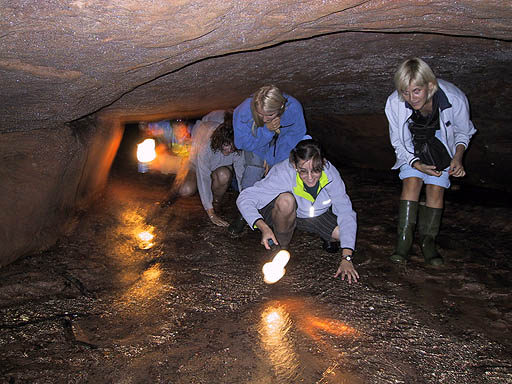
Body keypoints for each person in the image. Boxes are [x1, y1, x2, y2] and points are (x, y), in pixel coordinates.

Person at [385, 57, 476, 266]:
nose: (411, 98)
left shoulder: (455, 98)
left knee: (435, 189)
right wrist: (414, 163)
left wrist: (457, 158)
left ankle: (428, 243)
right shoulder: (394, 102)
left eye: (416, 91)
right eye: (405, 92)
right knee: (411, 182)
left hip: (442, 145)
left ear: (430, 86)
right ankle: (403, 243)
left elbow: (464, 132)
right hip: (413, 144)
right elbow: (398, 140)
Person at [236, 139, 359, 283]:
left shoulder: (331, 174)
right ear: (295, 165)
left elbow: (345, 211)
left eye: (316, 170)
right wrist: (263, 226)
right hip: (289, 212)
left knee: (342, 234)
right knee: (285, 200)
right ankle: (281, 248)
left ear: (323, 163)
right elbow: (245, 197)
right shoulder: (283, 172)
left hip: (317, 215)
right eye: (303, 171)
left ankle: (326, 237)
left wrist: (347, 257)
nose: (310, 177)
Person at [229, 85, 308, 234]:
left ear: (281, 108)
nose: (264, 119)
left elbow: (294, 137)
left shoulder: (294, 108)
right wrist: (266, 131)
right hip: (256, 144)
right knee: (254, 168)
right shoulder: (243, 111)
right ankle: (244, 214)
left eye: (269, 115)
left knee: (281, 175)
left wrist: (274, 160)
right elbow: (242, 142)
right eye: (260, 114)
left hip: (283, 146)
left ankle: (277, 216)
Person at [178, 110, 245, 226]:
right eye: (226, 146)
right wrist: (211, 214)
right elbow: (203, 178)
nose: (229, 151)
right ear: (219, 141)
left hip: (219, 166)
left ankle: (216, 202)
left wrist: (246, 203)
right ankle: (206, 201)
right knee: (186, 190)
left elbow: (241, 176)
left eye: (232, 148)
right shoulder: (206, 145)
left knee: (224, 175)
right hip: (197, 163)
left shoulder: (237, 147)